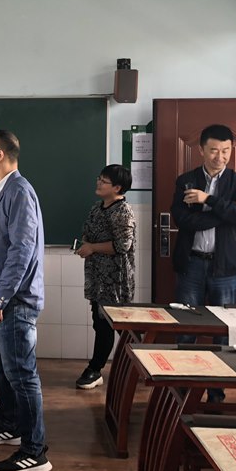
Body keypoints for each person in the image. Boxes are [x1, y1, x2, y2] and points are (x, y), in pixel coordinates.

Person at [0, 130, 51, 471]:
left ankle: (34, 451)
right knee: (3, 368)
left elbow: (22, 249)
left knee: (21, 374)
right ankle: (12, 425)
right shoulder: (1, 191)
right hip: (0, 297)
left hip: (14, 300)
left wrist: (2, 295)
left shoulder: (18, 191)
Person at [171, 124, 236, 308]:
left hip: (225, 265)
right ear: (201, 150)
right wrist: (228, 212)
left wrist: (208, 199)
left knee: (225, 322)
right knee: (187, 320)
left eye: (226, 151)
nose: (220, 157)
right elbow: (183, 220)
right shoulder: (186, 181)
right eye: (214, 151)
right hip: (191, 263)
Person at [75, 164, 136, 390]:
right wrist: (86, 245)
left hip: (114, 280)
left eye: (104, 181)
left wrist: (92, 247)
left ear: (117, 188)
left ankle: (95, 368)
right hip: (97, 277)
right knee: (99, 322)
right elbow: (88, 234)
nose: (98, 183)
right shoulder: (97, 208)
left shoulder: (123, 212)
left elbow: (122, 245)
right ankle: (102, 368)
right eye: (99, 178)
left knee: (108, 325)